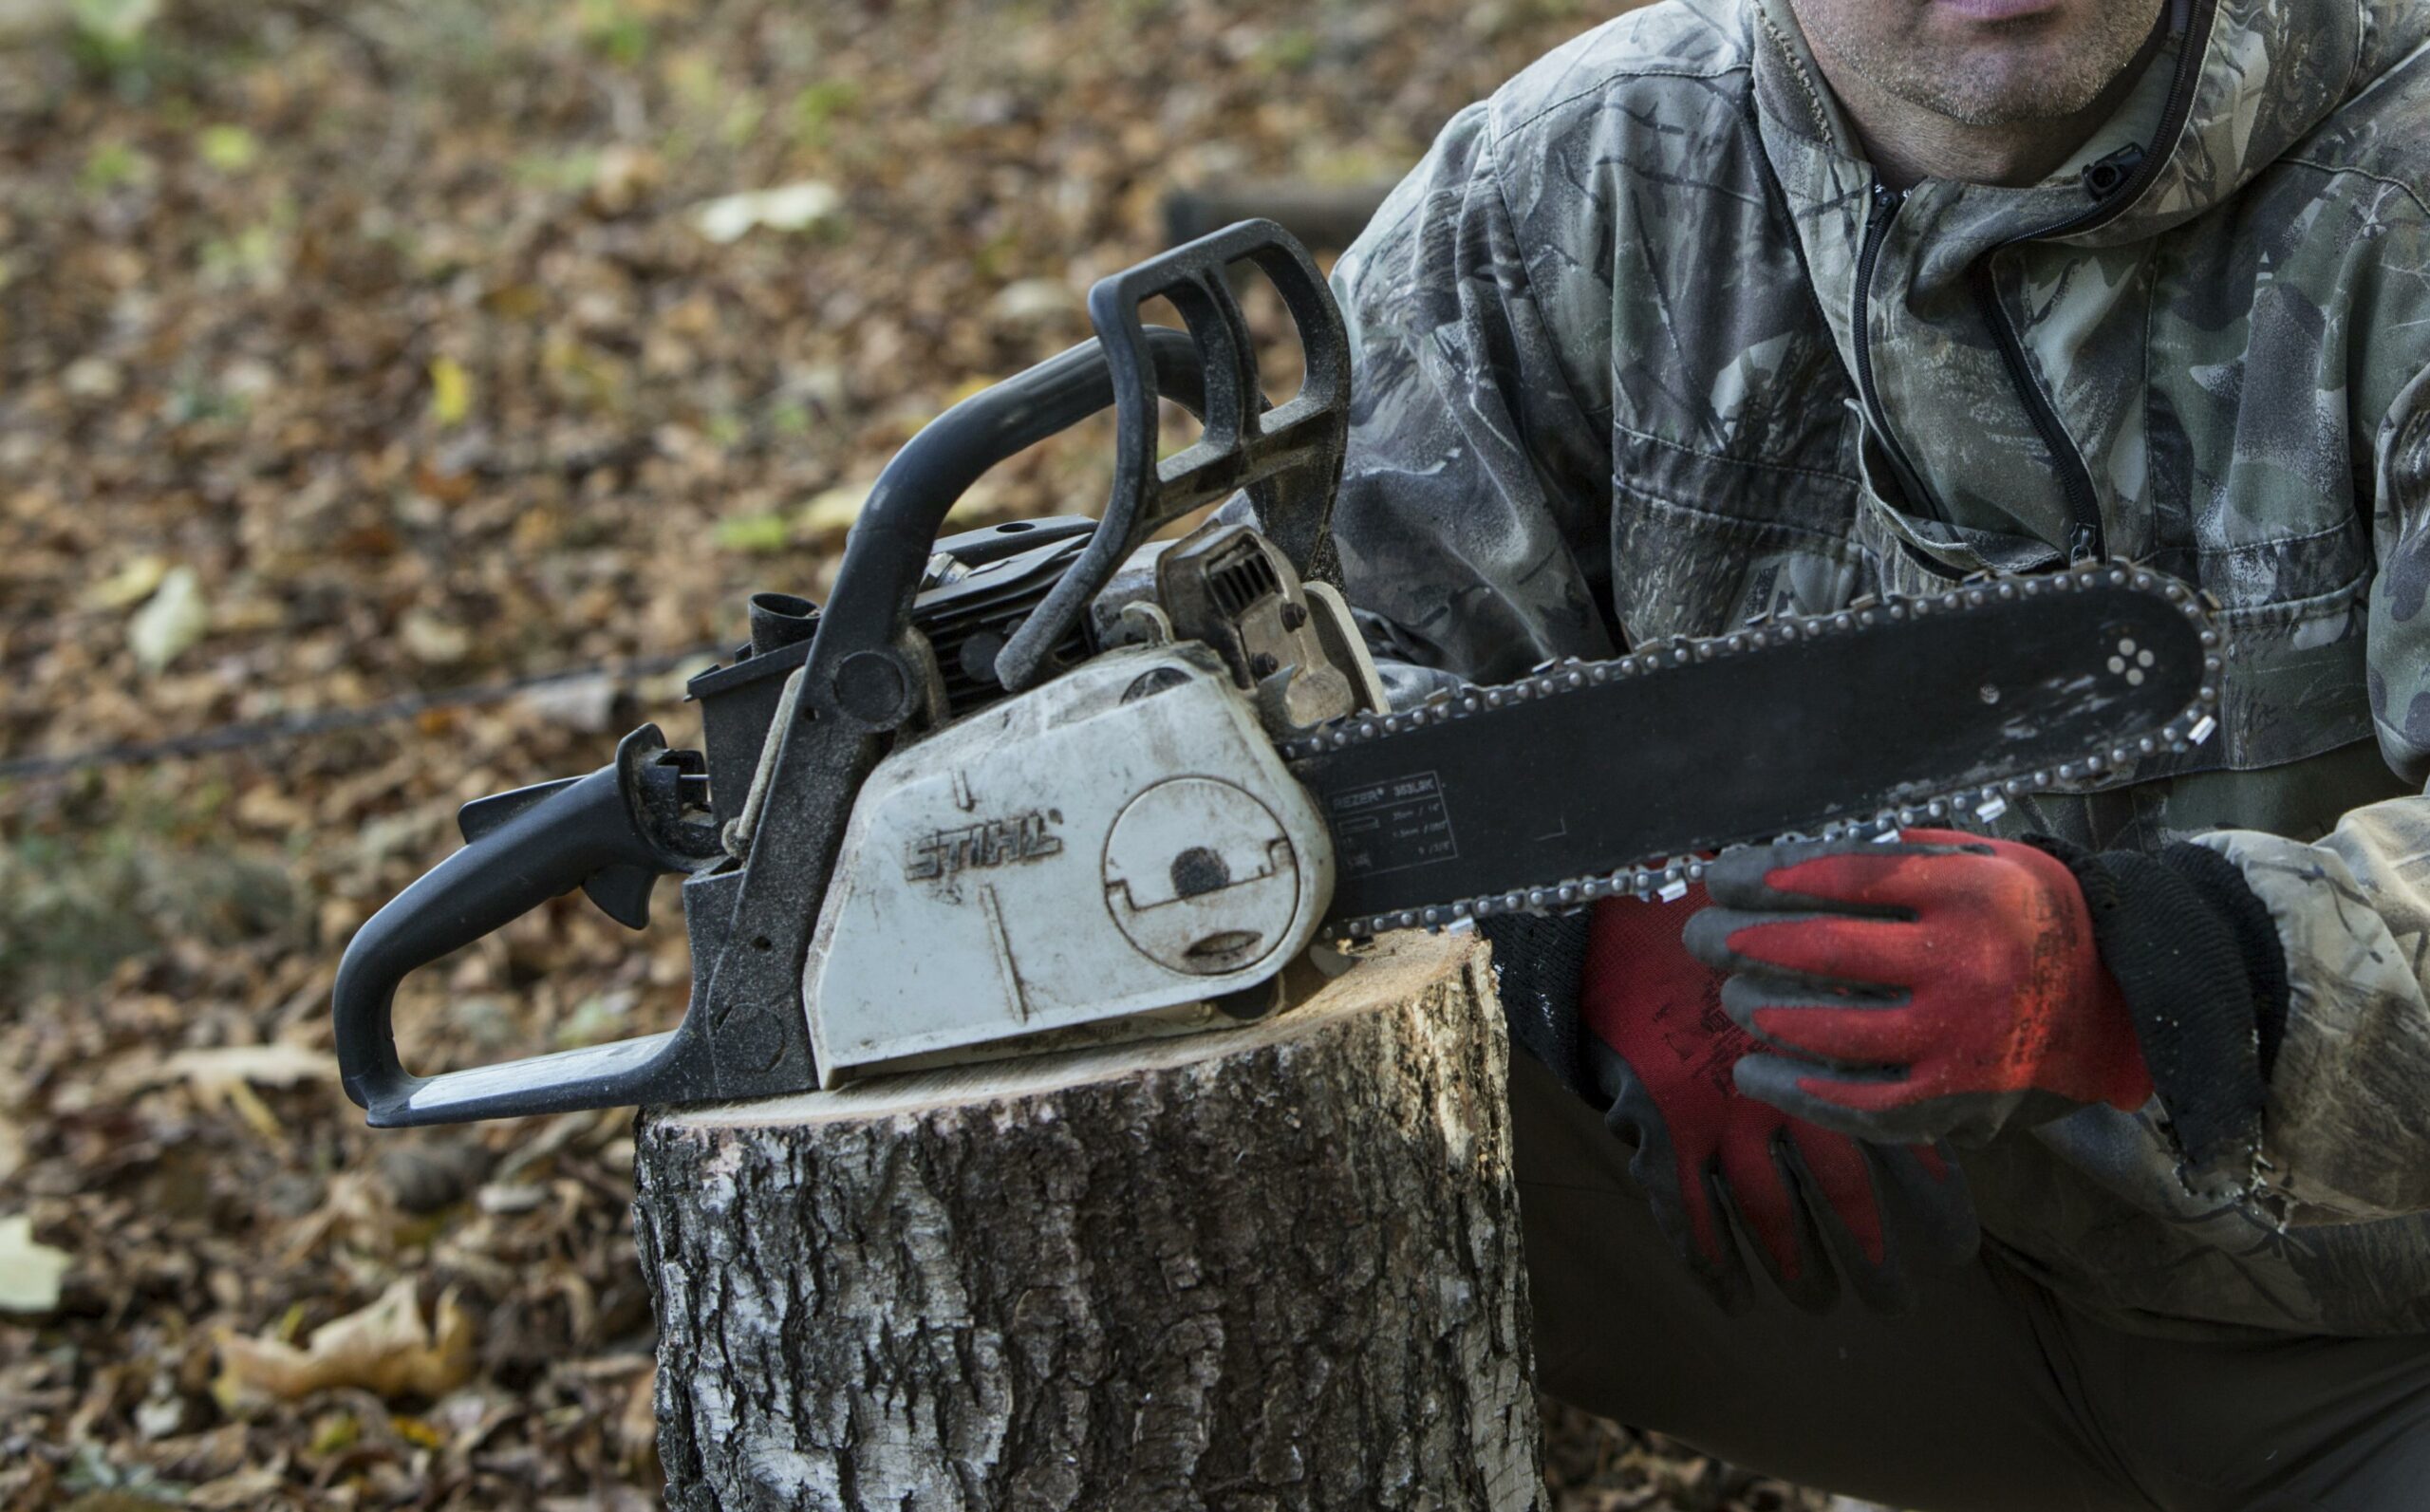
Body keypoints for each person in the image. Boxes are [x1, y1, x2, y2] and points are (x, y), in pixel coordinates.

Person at [1326, 0, 2430, 1506]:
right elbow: (1270, 720)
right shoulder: (1570, 180)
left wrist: (2150, 975)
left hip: (2389, 1343)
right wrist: (1563, 939)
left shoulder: (2404, 174)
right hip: (1874, 1299)